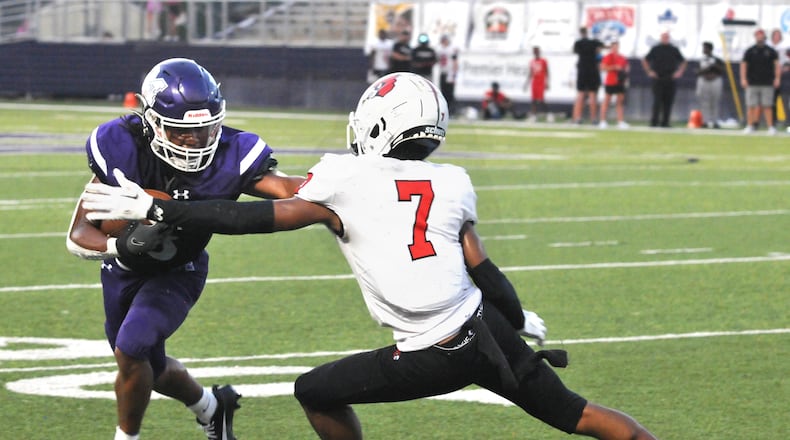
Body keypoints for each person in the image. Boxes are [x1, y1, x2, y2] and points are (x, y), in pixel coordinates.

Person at [82, 72, 658, 440]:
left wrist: (162, 210)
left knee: (315, 391)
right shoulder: (453, 180)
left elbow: (256, 218)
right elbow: (482, 267)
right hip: (486, 330)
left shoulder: (345, 175)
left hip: (432, 349)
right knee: (579, 415)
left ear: (376, 125)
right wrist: (516, 318)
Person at [66, 58, 304, 440]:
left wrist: (340, 180)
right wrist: (119, 245)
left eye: (207, 128)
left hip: (181, 270)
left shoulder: (230, 152)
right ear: (151, 123)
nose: (197, 140)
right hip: (122, 272)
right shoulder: (123, 146)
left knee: (132, 348)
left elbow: (290, 190)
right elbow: (78, 232)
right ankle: (213, 406)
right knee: (147, 367)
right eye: (182, 132)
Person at [642, 31, 687, 127]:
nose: (665, 38)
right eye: (663, 37)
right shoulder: (655, 49)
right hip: (658, 78)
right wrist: (649, 71)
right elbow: (645, 60)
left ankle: (665, 122)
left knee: (668, 101)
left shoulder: (674, 49)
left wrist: (679, 72)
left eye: (667, 37)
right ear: (661, 38)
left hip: (670, 78)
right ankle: (654, 121)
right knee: (657, 101)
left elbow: (683, 61)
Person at [740, 28, 780, 134]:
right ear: (755, 37)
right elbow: (744, 65)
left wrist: (777, 78)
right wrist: (743, 79)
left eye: (761, 35)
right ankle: (750, 125)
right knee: (751, 105)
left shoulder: (771, 51)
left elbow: (776, 65)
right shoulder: (750, 51)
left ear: (764, 37)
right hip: (752, 82)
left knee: (767, 105)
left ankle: (770, 127)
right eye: (758, 35)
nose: (759, 37)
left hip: (767, 82)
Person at [572, 27, 605, 125]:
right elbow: (602, 46)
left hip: (582, 70)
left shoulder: (578, 43)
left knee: (581, 94)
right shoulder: (594, 42)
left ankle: (578, 118)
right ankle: (594, 118)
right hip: (592, 70)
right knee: (592, 95)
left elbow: (574, 51)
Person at [598, 40, 630, 129]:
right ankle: (603, 121)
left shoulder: (622, 57)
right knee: (607, 101)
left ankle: (620, 121)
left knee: (620, 102)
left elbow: (626, 67)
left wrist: (624, 72)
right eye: (613, 47)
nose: (615, 49)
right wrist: (614, 67)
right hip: (610, 81)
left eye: (616, 47)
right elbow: (602, 67)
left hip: (620, 82)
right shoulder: (608, 57)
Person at [696, 41, 725, 129]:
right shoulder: (701, 60)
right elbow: (698, 72)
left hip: (715, 81)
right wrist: (707, 68)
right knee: (704, 102)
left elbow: (722, 71)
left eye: (705, 48)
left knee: (714, 102)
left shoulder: (717, 60)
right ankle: (705, 121)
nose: (704, 50)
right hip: (704, 81)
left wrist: (714, 65)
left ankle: (715, 121)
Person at [524, 45, 550, 122]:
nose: (535, 52)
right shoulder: (532, 62)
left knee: (541, 100)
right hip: (534, 82)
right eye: (534, 51)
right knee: (533, 100)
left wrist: (547, 82)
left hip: (541, 82)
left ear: (539, 52)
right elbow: (530, 73)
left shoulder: (543, 61)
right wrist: (526, 83)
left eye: (537, 51)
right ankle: (534, 116)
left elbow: (547, 72)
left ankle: (548, 114)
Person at [436, 34, 459, 115]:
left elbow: (455, 61)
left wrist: (454, 74)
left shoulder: (451, 49)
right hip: (443, 72)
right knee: (443, 92)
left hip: (450, 72)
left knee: (449, 93)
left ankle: (451, 110)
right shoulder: (439, 49)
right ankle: (445, 110)